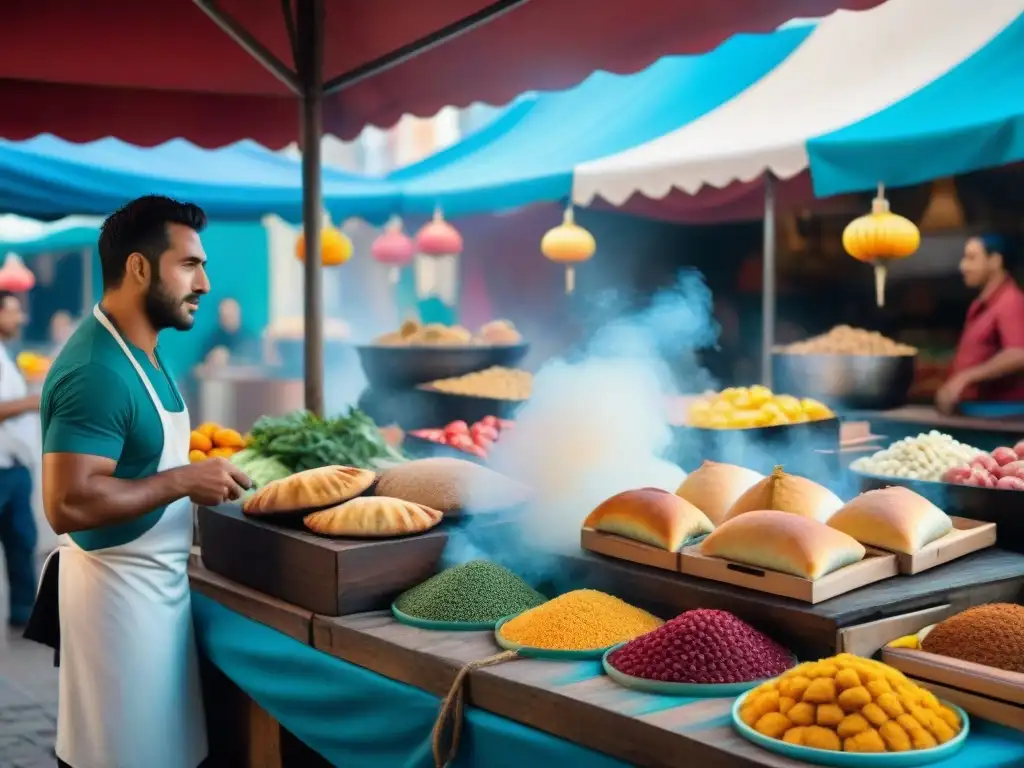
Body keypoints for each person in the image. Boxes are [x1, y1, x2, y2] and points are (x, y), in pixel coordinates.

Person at [36, 195, 251, 768]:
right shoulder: (96, 370)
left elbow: (136, 455)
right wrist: (184, 478)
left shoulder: (142, 351)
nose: (204, 283)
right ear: (137, 268)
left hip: (158, 599)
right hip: (117, 609)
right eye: (189, 265)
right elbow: (68, 502)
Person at [936, 234, 1024, 413]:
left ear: (995, 261)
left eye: (971, 258)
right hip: (973, 410)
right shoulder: (980, 304)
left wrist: (965, 377)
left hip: (1000, 415)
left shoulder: (1010, 302)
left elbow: (1018, 353)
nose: (963, 266)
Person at [0, 291, 41, 628]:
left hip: (15, 469)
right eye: (13, 312)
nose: (20, 319)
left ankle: (22, 612)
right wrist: (34, 401)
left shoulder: (7, 354)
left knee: (22, 541)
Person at [201, 296, 259, 365]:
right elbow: (198, 368)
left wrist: (230, 359)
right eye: (224, 315)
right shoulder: (212, 339)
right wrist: (211, 360)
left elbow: (258, 365)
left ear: (238, 314)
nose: (227, 319)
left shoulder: (249, 337)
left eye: (230, 315)